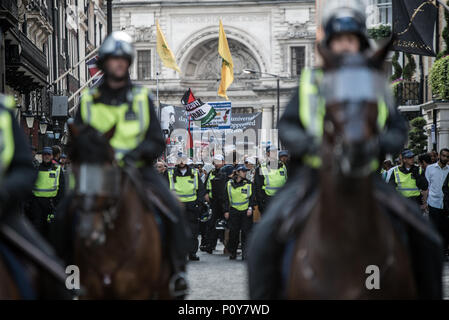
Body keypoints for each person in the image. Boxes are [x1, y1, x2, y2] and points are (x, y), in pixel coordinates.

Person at [247, 5, 442, 299]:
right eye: (339, 40)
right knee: (262, 238)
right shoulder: (310, 82)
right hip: (314, 178)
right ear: (330, 45)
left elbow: (396, 129)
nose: (345, 45)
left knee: (427, 239)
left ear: (360, 43)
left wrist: (377, 145)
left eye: (351, 39)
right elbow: (287, 127)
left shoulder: (375, 83)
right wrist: (313, 146)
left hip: (367, 177)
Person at [75, 31, 190, 296]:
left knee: (173, 210)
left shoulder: (140, 98)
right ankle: (68, 275)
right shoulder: (89, 101)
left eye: (123, 60)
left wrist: (134, 155)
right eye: (113, 59)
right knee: (64, 216)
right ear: (105, 63)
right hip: (99, 173)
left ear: (128, 63)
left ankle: (177, 273)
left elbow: (155, 140)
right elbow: (78, 140)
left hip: (136, 170)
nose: (118, 64)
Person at [0, 94, 69, 299]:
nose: (47, 157)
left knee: (55, 273)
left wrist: (5, 193)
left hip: (3, 211)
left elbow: (24, 170)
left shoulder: (3, 111)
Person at [166, 154, 206, 261]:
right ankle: (178, 253)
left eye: (183, 160)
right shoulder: (170, 173)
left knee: (193, 231)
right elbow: (166, 189)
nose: (181, 162)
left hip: (192, 206)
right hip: (176, 206)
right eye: (179, 160)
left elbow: (200, 189)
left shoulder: (194, 173)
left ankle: (192, 253)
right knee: (176, 230)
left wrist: (198, 203)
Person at [27, 147, 65, 239]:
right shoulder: (36, 168)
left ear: (52, 156)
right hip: (37, 203)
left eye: (49, 154)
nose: (46, 156)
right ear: (42, 156)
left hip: (51, 203)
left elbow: (62, 188)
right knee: (37, 227)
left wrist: (57, 203)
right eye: (45, 154)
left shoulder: (57, 169)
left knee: (50, 227)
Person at [223, 165, 256, 260]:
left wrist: (250, 208)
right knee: (233, 233)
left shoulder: (249, 184)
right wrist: (226, 210)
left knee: (246, 233)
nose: (245, 173)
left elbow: (252, 198)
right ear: (237, 172)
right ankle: (232, 252)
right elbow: (225, 198)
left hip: (246, 211)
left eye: (246, 171)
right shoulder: (229, 184)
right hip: (234, 210)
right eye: (243, 171)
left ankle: (245, 254)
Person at [201, 154, 225, 253]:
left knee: (226, 225)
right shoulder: (211, 173)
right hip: (213, 201)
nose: (217, 164)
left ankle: (227, 246)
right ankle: (210, 245)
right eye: (215, 161)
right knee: (211, 224)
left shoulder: (226, 172)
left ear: (223, 162)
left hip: (224, 202)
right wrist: (206, 194)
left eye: (219, 161)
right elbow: (205, 185)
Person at [254, 146, 287, 215]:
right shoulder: (262, 168)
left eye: (275, 152)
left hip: (281, 199)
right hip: (267, 200)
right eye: (271, 152)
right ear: (267, 154)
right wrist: (261, 202)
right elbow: (258, 186)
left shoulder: (283, 166)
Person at [429, 148, 449, 258]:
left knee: (445, 229)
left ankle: (444, 251)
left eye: (447, 156)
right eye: (444, 156)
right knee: (434, 228)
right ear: (439, 156)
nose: (445, 158)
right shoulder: (430, 169)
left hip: (445, 205)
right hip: (433, 203)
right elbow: (427, 186)